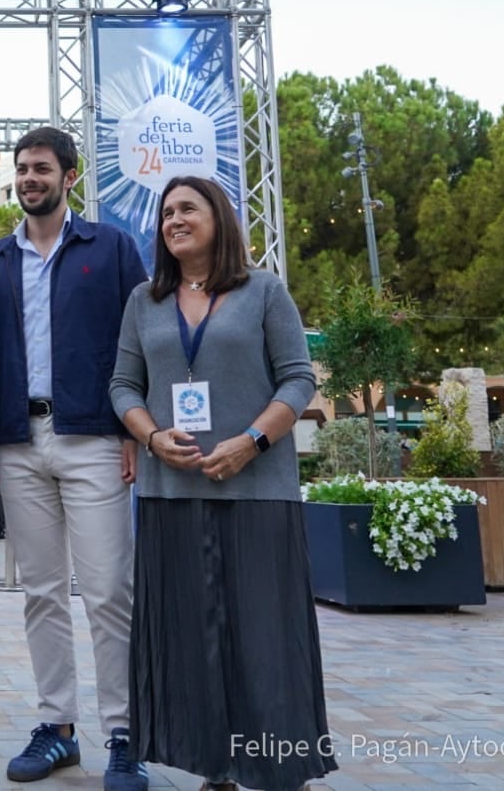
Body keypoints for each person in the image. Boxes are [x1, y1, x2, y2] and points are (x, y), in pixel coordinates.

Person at [109, 176, 334, 791]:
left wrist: (251, 441)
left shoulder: (263, 290)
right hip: (169, 493)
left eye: (188, 208)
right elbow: (122, 386)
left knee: (264, 636)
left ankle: (279, 766)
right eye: (166, 213)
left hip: (256, 491)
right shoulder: (143, 301)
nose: (174, 220)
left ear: (219, 217)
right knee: (192, 638)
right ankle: (217, 767)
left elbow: (297, 381)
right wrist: (153, 437)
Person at [0, 127, 149, 791]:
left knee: (108, 592)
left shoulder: (110, 248)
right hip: (18, 442)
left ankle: (124, 734)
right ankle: (58, 728)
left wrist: (137, 428)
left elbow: (138, 342)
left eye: (41, 168)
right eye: (22, 169)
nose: (28, 179)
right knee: (41, 592)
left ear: (69, 176)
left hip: (96, 437)